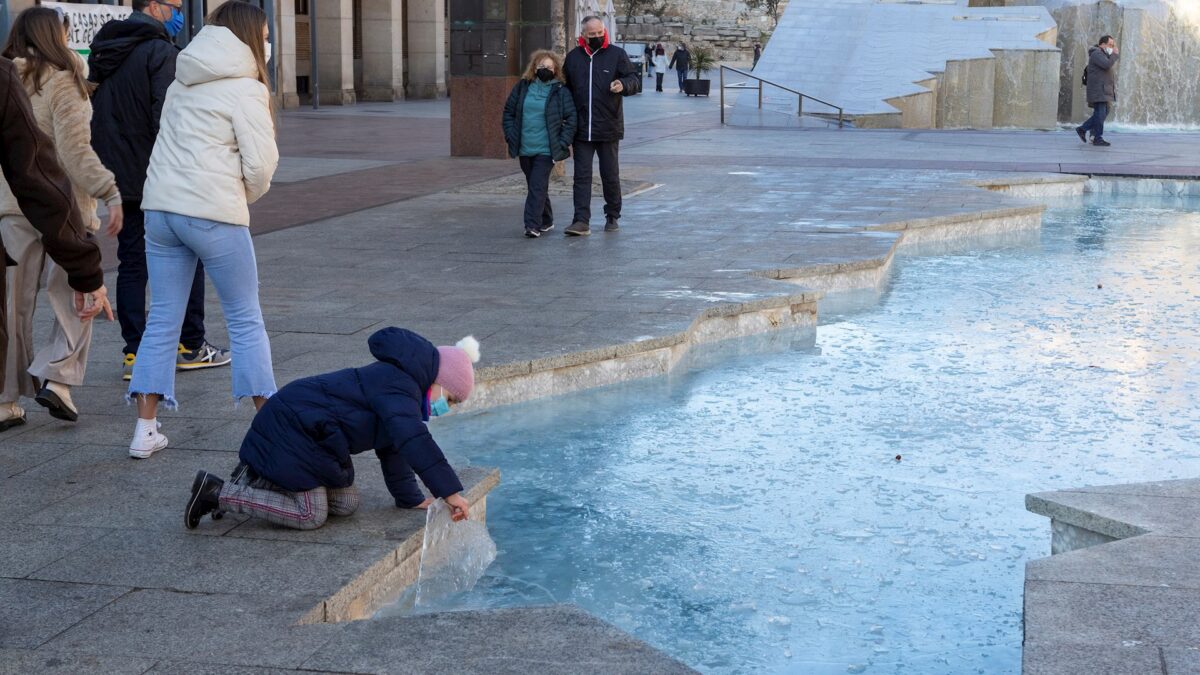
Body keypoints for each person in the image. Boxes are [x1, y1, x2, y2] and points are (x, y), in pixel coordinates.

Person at [127, 1, 279, 459]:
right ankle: (271, 429)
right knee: (245, 318)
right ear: (254, 37)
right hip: (213, 212)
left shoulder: (183, 77)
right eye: (267, 34)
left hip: (160, 209)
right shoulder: (246, 88)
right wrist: (238, 197)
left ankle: (144, 431)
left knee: (162, 319)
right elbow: (261, 164)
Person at [184, 329, 480, 531]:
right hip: (293, 428)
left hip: (316, 438)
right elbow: (414, 440)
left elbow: (395, 447)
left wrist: (410, 498)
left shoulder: (405, 393)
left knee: (347, 503)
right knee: (310, 514)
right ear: (438, 380)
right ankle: (217, 492)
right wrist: (450, 492)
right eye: (450, 399)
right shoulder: (399, 385)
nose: (447, 407)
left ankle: (258, 479)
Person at [89, 0, 229, 381]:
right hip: (161, 176)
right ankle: (190, 344)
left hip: (122, 176)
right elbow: (168, 119)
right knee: (189, 252)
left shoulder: (109, 50)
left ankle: (135, 352)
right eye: (175, 6)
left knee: (133, 263)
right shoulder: (160, 52)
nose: (180, 11)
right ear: (154, 6)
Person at [0, 7, 123, 425]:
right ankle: (59, 379)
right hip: (63, 205)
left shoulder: (6, 77)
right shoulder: (63, 78)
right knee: (79, 292)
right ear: (57, 36)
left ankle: (5, 399)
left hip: (11, 206)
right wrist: (109, 189)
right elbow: (74, 152)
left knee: (13, 305)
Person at [562, 16, 640, 236]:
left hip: (608, 127)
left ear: (604, 32)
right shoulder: (573, 58)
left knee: (610, 175)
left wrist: (622, 84)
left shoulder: (617, 55)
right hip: (581, 129)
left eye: (599, 33)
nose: (596, 37)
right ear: (583, 34)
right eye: (591, 34)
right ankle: (581, 220)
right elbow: (565, 89)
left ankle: (612, 215)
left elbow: (634, 80)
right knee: (581, 176)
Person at [502, 50, 578, 239]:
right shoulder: (522, 87)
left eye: (549, 67)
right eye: (541, 66)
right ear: (534, 67)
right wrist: (511, 135)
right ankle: (547, 219)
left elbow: (571, 119)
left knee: (537, 185)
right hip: (524, 146)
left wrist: (562, 143)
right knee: (535, 185)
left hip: (547, 149)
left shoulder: (561, 91)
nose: (545, 69)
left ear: (556, 70)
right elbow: (508, 112)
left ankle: (532, 225)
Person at [1076, 35, 1120, 147]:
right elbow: (1106, 65)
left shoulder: (1104, 55)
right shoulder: (1097, 54)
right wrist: (1115, 54)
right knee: (1100, 114)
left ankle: (1086, 130)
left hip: (1105, 90)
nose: (1112, 47)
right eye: (1110, 45)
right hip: (1099, 90)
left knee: (1102, 113)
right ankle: (1097, 137)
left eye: (1113, 45)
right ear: (1102, 44)